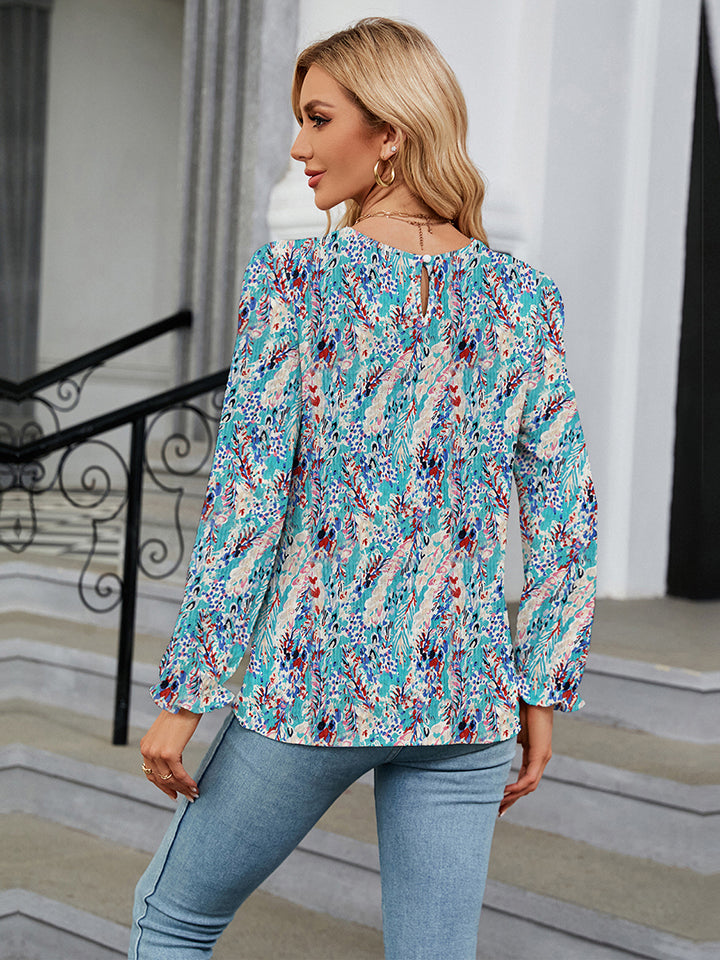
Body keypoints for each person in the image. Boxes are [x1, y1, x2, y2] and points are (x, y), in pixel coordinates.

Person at [129, 17, 597, 960]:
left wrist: (188, 693)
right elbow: (563, 511)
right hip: (467, 698)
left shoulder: (296, 280)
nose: (297, 146)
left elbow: (248, 503)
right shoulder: (522, 296)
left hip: (316, 686)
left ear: (389, 132)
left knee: (172, 919)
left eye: (317, 119)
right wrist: (540, 688)